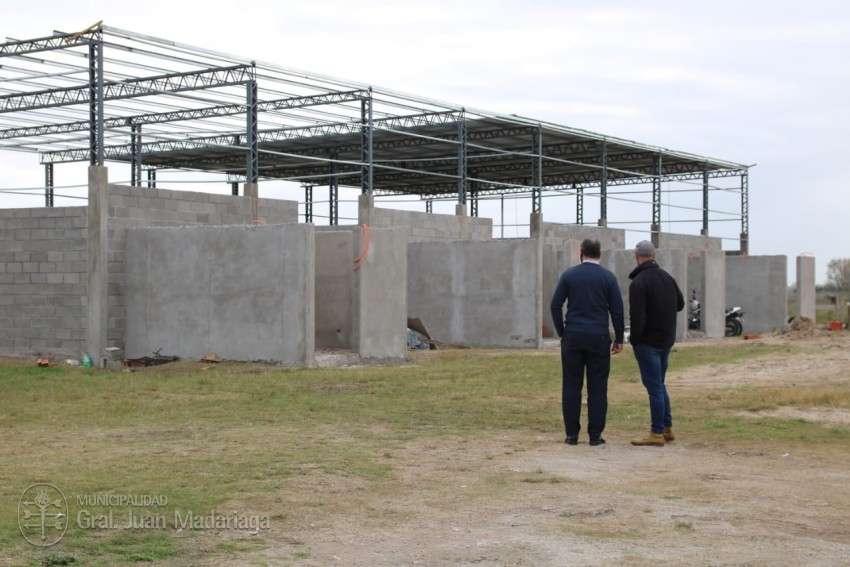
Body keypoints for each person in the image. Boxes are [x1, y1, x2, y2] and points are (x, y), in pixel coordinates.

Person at [550, 238, 624, 446]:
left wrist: (562, 332)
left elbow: (555, 305)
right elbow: (617, 310)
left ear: (581, 252)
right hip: (598, 337)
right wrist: (618, 338)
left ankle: (571, 434)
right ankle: (595, 435)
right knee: (598, 386)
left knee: (572, 385)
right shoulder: (608, 277)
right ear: (600, 253)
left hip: (573, 335)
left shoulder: (569, 275)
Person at [628, 240, 685, 446]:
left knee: (654, 387)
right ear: (655, 255)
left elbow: (637, 317)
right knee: (659, 385)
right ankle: (667, 427)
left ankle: (656, 432)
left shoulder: (639, 282)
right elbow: (680, 303)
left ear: (637, 256)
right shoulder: (667, 278)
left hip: (648, 342)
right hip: (666, 340)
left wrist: (634, 339)